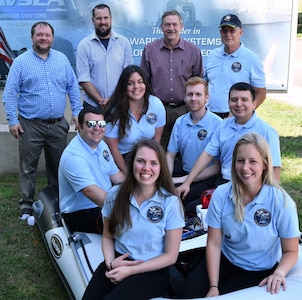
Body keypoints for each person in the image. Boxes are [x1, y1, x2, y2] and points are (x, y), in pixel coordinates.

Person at [183, 132, 300, 298]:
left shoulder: (281, 202)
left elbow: (291, 251)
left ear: (265, 164)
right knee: (188, 293)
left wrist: (280, 272)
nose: (245, 168)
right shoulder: (222, 194)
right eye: (240, 161)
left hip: (258, 271)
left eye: (253, 161)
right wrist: (213, 285)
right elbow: (214, 243)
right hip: (225, 261)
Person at [82, 139, 185, 300]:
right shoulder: (114, 196)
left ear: (161, 168)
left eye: (153, 163)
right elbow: (108, 237)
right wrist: (110, 263)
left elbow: (170, 256)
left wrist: (130, 271)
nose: (146, 168)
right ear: (132, 164)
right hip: (118, 260)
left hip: (152, 270)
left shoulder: (171, 203)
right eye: (141, 161)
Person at [2, 21, 83, 219]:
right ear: (32, 38)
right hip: (30, 125)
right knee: (28, 167)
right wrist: (12, 120)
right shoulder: (21, 62)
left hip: (57, 124)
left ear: (52, 38)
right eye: (39, 35)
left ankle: (56, 200)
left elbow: (73, 87)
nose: (43, 38)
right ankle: (27, 205)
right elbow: (10, 93)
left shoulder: (62, 60)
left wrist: (77, 111)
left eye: (47, 35)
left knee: (58, 165)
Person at [176, 82, 281, 200]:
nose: (238, 104)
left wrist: (270, 198)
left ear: (254, 103)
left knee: (196, 209)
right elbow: (206, 155)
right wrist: (187, 183)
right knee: (182, 197)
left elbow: (275, 168)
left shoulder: (267, 131)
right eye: (234, 100)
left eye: (244, 100)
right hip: (222, 181)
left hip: (249, 185)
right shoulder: (223, 126)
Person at [140, 9, 203, 149]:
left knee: (186, 147)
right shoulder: (150, 50)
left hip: (185, 109)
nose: (171, 28)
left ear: (181, 27)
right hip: (158, 109)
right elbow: (144, 81)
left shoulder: (194, 51)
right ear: (161, 27)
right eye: (167, 25)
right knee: (158, 149)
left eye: (175, 24)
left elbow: (199, 83)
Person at [59, 106, 125, 233]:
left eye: (101, 124)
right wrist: (125, 209)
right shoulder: (74, 156)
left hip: (103, 204)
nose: (97, 128)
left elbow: (117, 177)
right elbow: (90, 191)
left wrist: (141, 190)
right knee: (129, 225)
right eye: (91, 124)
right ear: (79, 126)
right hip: (81, 213)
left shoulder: (101, 145)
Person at [166, 77, 222, 214]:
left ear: (207, 97)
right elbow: (170, 155)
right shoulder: (180, 122)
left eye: (198, 94)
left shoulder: (218, 124)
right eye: (190, 94)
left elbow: (217, 166)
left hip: (207, 179)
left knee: (185, 205)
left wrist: (182, 180)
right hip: (184, 173)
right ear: (184, 97)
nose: (193, 98)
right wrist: (166, 180)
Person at [104, 65, 166, 175]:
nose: (136, 87)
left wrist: (154, 166)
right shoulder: (114, 110)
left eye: (140, 82)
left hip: (147, 156)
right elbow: (113, 149)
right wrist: (128, 174)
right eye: (130, 83)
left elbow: (156, 142)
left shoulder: (156, 104)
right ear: (123, 86)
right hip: (123, 159)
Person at [205, 14, 266, 119]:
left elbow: (261, 93)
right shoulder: (213, 55)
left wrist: (244, 112)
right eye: (224, 30)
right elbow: (205, 84)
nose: (228, 34)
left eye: (232, 30)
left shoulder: (252, 59)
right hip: (210, 116)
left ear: (240, 32)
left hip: (236, 117)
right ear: (220, 33)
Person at [76, 3, 133, 109]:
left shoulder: (124, 43)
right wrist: (101, 101)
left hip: (119, 104)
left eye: (105, 18)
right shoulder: (84, 46)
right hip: (93, 106)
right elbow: (83, 79)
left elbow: (128, 76)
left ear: (111, 19)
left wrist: (113, 100)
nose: (103, 22)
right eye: (99, 18)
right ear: (93, 20)